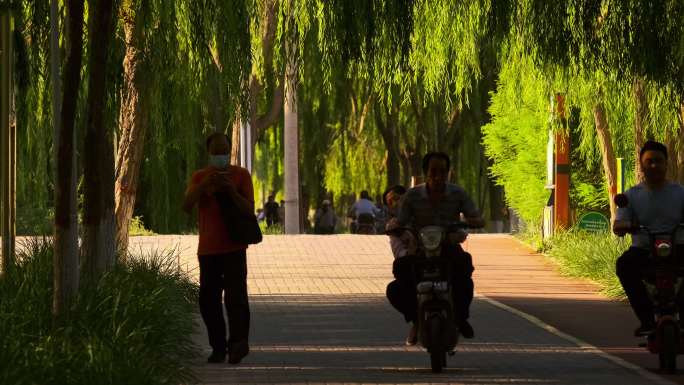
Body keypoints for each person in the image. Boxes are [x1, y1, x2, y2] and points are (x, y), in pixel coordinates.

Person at [389, 152, 484, 342]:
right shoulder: (412, 196)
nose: (438, 176)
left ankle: (460, 317)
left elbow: (476, 217)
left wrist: (471, 222)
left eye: (443, 171)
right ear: (426, 173)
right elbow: (400, 221)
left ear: (448, 173)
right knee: (397, 279)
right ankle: (416, 320)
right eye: (433, 171)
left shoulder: (458, 194)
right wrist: (396, 227)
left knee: (465, 268)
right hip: (421, 250)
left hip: (447, 247)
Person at [182, 132, 255, 364]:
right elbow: (186, 205)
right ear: (209, 153)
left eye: (224, 151)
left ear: (229, 151)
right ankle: (218, 347)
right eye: (216, 152)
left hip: (234, 248)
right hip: (208, 251)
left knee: (236, 299)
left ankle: (238, 345)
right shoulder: (200, 176)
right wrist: (204, 185)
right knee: (208, 301)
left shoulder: (241, 176)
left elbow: (248, 210)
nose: (220, 156)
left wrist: (231, 191)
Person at [614, 140, 684, 336]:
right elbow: (618, 223)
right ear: (642, 164)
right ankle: (647, 320)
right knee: (624, 265)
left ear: (666, 163)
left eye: (659, 161)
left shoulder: (680, 193)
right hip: (644, 249)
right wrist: (625, 226)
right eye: (649, 161)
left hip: (677, 247)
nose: (654, 165)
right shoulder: (632, 195)